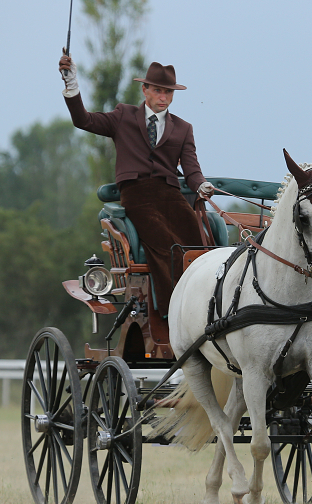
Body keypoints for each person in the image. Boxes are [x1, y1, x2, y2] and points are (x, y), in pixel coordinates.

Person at [58, 55, 214, 316]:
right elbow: (83, 120)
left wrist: (201, 185)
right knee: (166, 243)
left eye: (167, 92)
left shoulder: (183, 129)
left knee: (196, 243)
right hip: (137, 195)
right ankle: (173, 310)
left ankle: (205, 304)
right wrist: (72, 86)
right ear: (145, 90)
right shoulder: (123, 115)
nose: (162, 97)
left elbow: (192, 169)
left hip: (170, 194)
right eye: (157, 90)